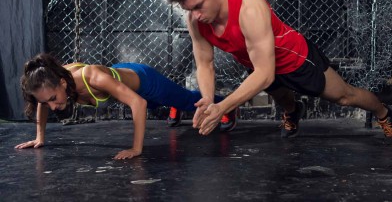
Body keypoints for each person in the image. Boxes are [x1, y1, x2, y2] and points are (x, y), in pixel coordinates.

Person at [166, 0, 392, 145]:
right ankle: (293, 111)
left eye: (198, 6)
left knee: (344, 96)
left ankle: (384, 112)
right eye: (189, 9)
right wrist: (207, 99)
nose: (195, 15)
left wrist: (222, 107)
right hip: (260, 65)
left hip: (294, 59)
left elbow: (265, 74)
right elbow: (205, 63)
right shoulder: (196, 21)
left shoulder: (249, 8)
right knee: (282, 98)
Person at [15, 53, 236, 160]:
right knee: (161, 103)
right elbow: (42, 103)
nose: (53, 106)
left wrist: (136, 149)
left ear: (63, 84)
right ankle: (172, 105)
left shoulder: (92, 78)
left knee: (186, 100)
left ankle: (226, 105)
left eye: (54, 98)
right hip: (121, 75)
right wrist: (40, 137)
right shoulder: (54, 79)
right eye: (48, 102)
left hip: (144, 82)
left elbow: (138, 103)